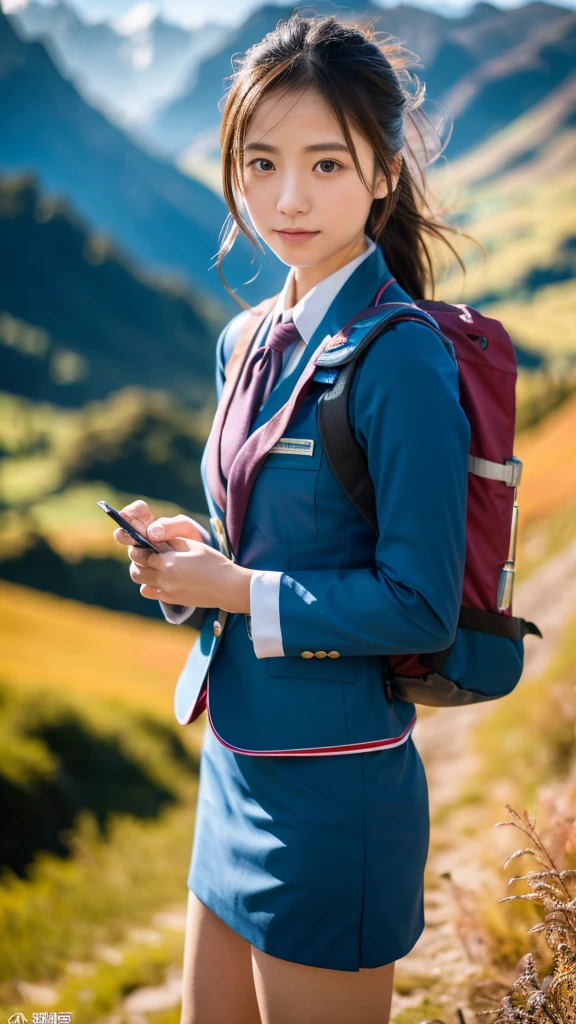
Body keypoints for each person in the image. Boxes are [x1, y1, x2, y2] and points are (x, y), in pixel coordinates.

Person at [113, 13, 473, 1024]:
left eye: (325, 164)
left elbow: (419, 605)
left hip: (337, 789)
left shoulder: (401, 357)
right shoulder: (246, 338)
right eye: (260, 161)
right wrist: (197, 555)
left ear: (383, 174)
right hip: (234, 763)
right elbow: (281, 537)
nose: (286, 198)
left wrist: (238, 590)